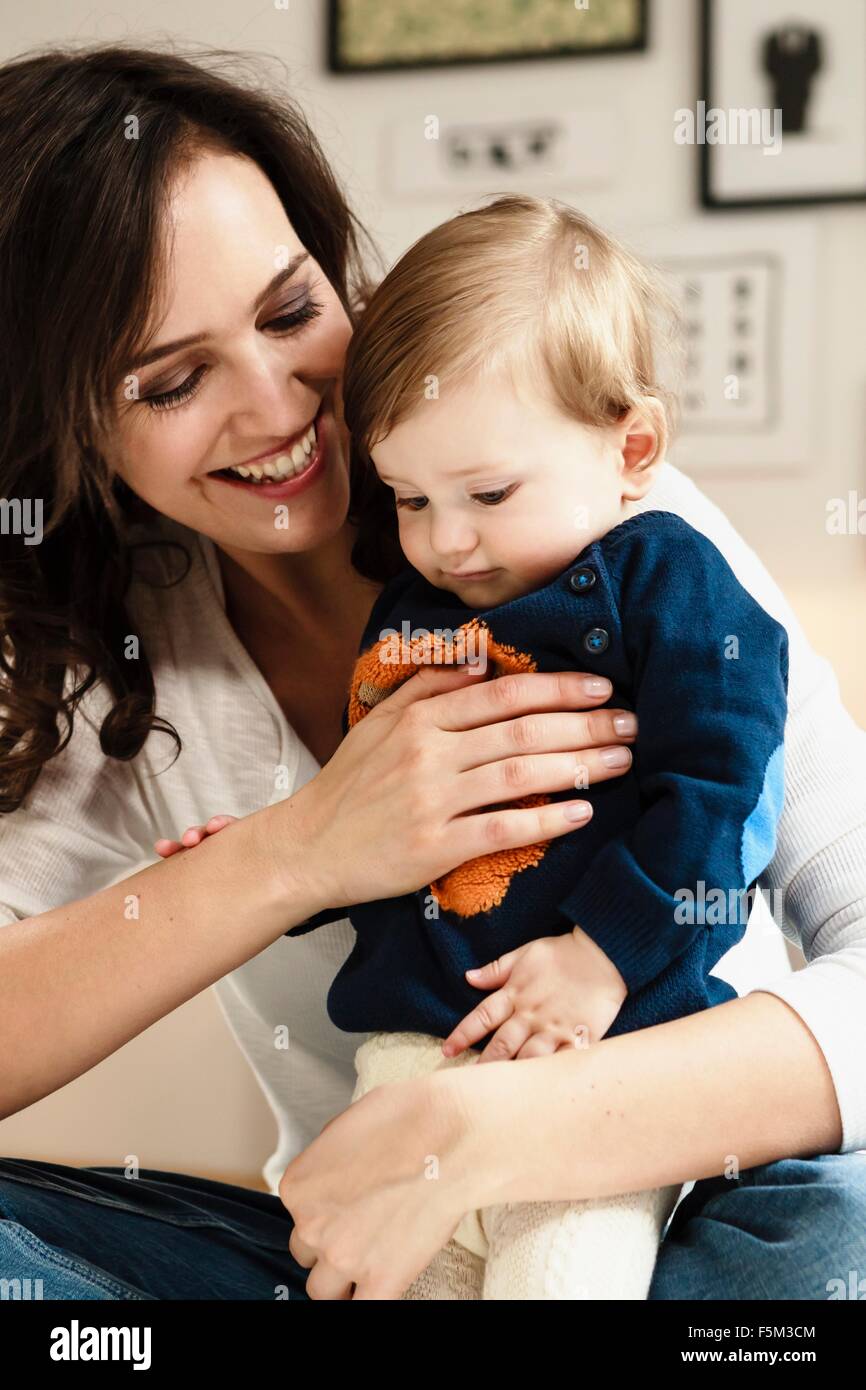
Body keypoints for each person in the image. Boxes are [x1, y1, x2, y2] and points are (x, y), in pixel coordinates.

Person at [0, 45, 863, 1303]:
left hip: (697, 1199)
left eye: (294, 312)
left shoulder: (605, 536)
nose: (280, 407)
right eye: (174, 380)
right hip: (375, 1255)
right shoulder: (124, 652)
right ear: (69, 421)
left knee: (835, 1245)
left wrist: (505, 1129)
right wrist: (301, 850)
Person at [172, 195, 790, 1300]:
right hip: (410, 1055)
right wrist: (270, 856)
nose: (445, 538)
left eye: (487, 494)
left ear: (630, 448)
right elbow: (385, 838)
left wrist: (604, 956)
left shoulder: (672, 583)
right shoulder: (415, 608)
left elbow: (720, 797)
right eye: (408, 496)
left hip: (599, 1058)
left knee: (561, 1278)